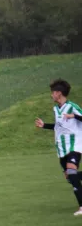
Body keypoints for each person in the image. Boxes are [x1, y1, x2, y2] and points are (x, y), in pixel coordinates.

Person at [35, 79, 82, 216]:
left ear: (59, 93)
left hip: (75, 145)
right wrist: (44, 126)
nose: (51, 95)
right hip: (61, 149)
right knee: (70, 177)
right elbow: (59, 127)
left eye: (53, 93)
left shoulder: (72, 106)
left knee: (72, 174)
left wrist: (73, 115)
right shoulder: (56, 109)